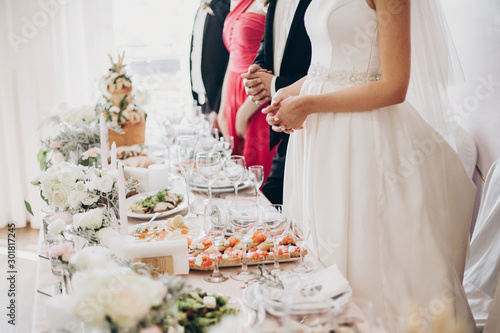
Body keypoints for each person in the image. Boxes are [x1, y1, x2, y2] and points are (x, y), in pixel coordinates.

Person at [264, 0, 476, 327]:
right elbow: (326, 64)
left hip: (363, 136)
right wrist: (289, 93)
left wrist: (308, 104)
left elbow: (394, 87)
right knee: (323, 243)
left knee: (367, 252)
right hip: (320, 137)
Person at [241, 0, 312, 204]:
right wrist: (255, 75)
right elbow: (269, 43)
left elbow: (327, 67)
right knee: (274, 196)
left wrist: (274, 85)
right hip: (284, 124)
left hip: (313, 116)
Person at [219, 0, 275, 182]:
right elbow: (232, 57)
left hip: (256, 102)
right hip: (233, 97)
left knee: (256, 179)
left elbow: (274, 63)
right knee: (234, 178)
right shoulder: (243, 2)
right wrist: (223, 112)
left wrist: (243, 115)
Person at [189, 0, 230, 128]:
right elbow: (196, 53)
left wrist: (217, 108)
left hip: (218, 101)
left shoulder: (224, 5)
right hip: (201, 98)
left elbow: (228, 59)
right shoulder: (202, 7)